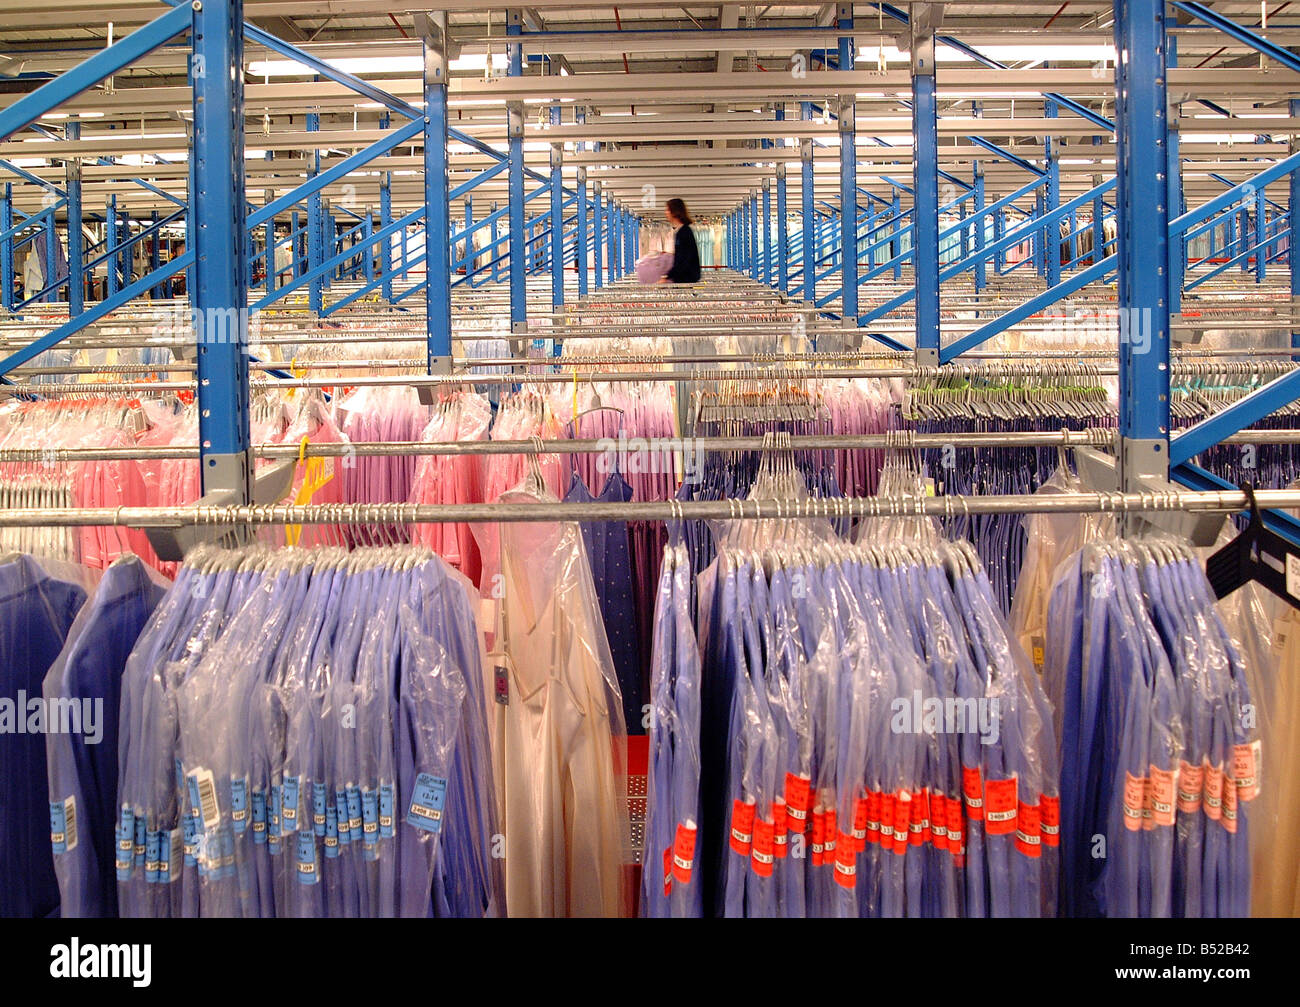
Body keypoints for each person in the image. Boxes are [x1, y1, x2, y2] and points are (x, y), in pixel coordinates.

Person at [662, 198, 701, 284]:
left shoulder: (685, 232)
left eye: (668, 209)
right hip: (683, 278)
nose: (666, 212)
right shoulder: (680, 231)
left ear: (674, 211)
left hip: (686, 279)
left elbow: (684, 259)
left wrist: (668, 277)